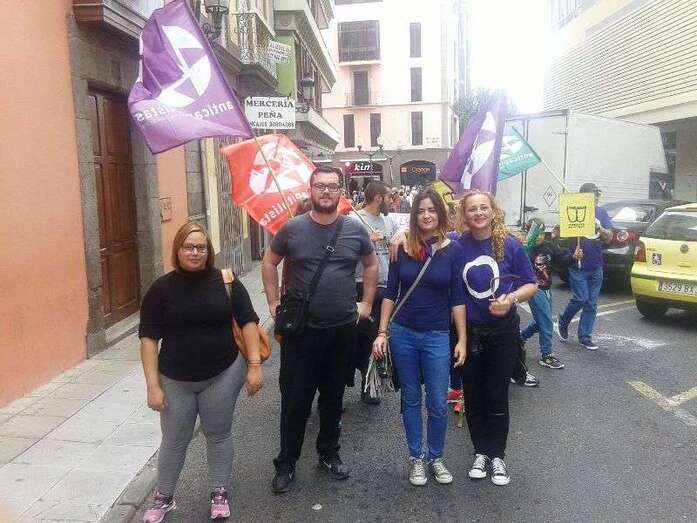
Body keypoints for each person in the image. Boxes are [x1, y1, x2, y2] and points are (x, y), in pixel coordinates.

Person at [262, 166, 378, 494]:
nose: (326, 191)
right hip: (302, 332)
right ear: (310, 190)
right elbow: (269, 262)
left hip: (342, 329)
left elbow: (371, 264)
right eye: (320, 186)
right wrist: (273, 303)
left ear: (341, 191)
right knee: (295, 400)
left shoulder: (354, 229)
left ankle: (328, 453)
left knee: (333, 396)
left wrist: (367, 304)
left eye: (332, 186)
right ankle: (286, 463)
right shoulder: (292, 229)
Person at [139, 223, 263, 523]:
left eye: (201, 247)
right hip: (174, 378)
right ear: (178, 250)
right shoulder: (160, 289)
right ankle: (164, 497)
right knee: (174, 439)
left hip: (223, 373)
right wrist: (153, 386)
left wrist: (254, 366)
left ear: (208, 251)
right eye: (189, 247)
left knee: (218, 434)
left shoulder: (226, 282)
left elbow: (248, 322)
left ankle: (219, 492)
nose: (195, 252)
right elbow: (148, 340)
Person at [372, 188, 466, 487]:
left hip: (437, 335)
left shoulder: (453, 250)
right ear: (414, 215)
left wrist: (462, 339)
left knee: (437, 401)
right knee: (411, 399)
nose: (427, 215)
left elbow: (458, 298)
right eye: (421, 211)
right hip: (403, 334)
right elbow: (391, 293)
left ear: (440, 213)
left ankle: (436, 457)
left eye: (432, 210)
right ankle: (416, 457)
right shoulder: (402, 246)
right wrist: (382, 332)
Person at [455, 191, 537, 486]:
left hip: (503, 334)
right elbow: (423, 238)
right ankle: (481, 452)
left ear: (493, 211)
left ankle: (498, 455)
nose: (478, 213)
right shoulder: (456, 244)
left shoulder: (510, 244)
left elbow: (531, 284)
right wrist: (399, 235)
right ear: (464, 215)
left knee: (496, 394)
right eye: (472, 209)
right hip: (469, 334)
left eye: (483, 208)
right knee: (473, 395)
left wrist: (511, 298)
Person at [349, 181, 403, 405]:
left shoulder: (389, 220)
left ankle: (369, 384)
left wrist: (401, 235)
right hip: (361, 286)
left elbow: (406, 230)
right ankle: (340, 385)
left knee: (377, 338)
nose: (392, 201)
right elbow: (343, 254)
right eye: (389, 197)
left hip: (386, 287)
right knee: (357, 339)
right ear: (379, 198)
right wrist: (365, 242)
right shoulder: (354, 220)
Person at [556, 183, 613, 351]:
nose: (596, 198)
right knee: (580, 298)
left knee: (591, 304)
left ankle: (585, 337)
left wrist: (599, 228)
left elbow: (609, 237)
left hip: (596, 264)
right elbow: (564, 236)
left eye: (597, 195)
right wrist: (572, 254)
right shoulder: (573, 209)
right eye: (593, 195)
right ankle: (563, 320)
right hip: (578, 266)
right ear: (584, 197)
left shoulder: (601, 213)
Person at [520, 219, 564, 369]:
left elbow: (561, 259)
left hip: (547, 288)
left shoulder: (548, 246)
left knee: (542, 320)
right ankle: (547, 355)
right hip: (534, 289)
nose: (539, 236)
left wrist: (574, 257)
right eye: (535, 233)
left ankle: (521, 337)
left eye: (541, 233)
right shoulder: (525, 249)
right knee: (546, 322)